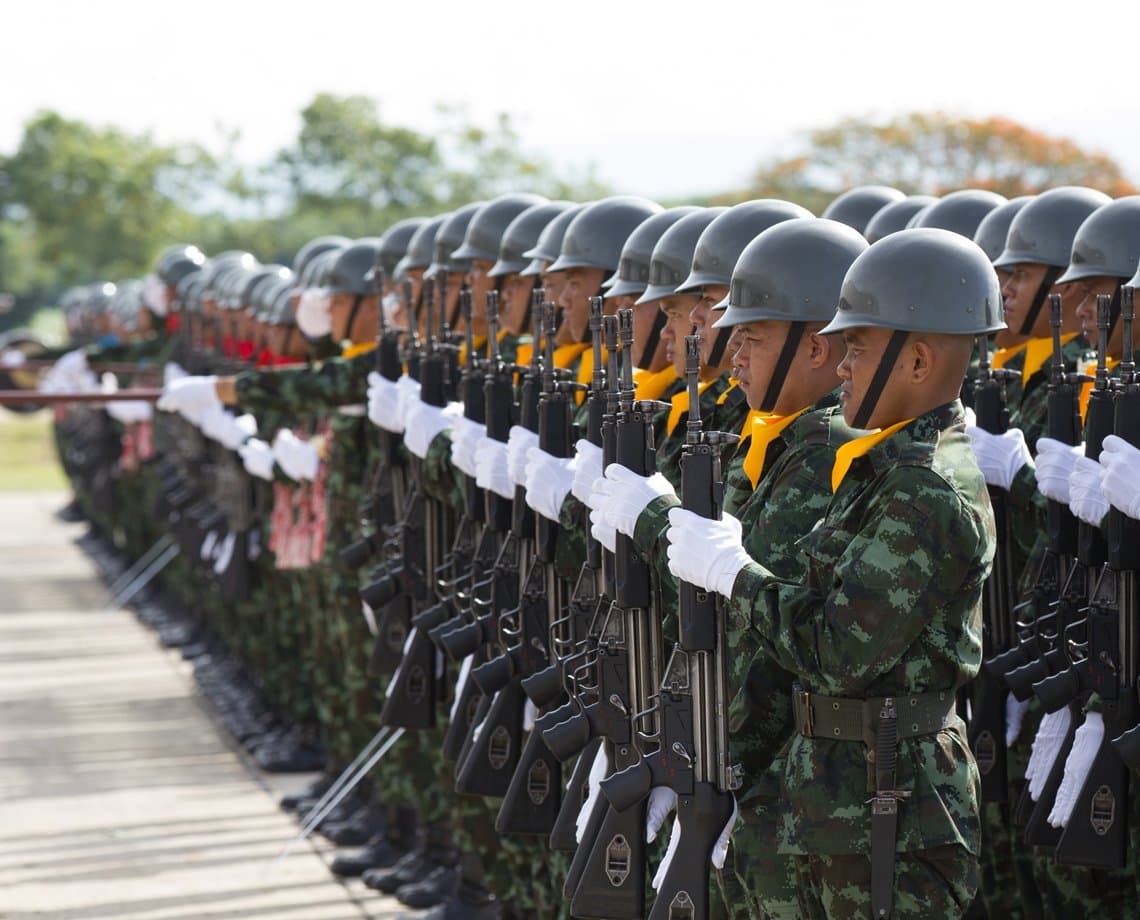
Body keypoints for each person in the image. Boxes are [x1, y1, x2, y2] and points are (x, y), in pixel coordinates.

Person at [666, 228, 1002, 918]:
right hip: (835, 791)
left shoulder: (924, 489)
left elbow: (836, 651)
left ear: (914, 359)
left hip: (889, 806)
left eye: (857, 347)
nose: (841, 366)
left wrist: (735, 574)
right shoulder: (883, 469)